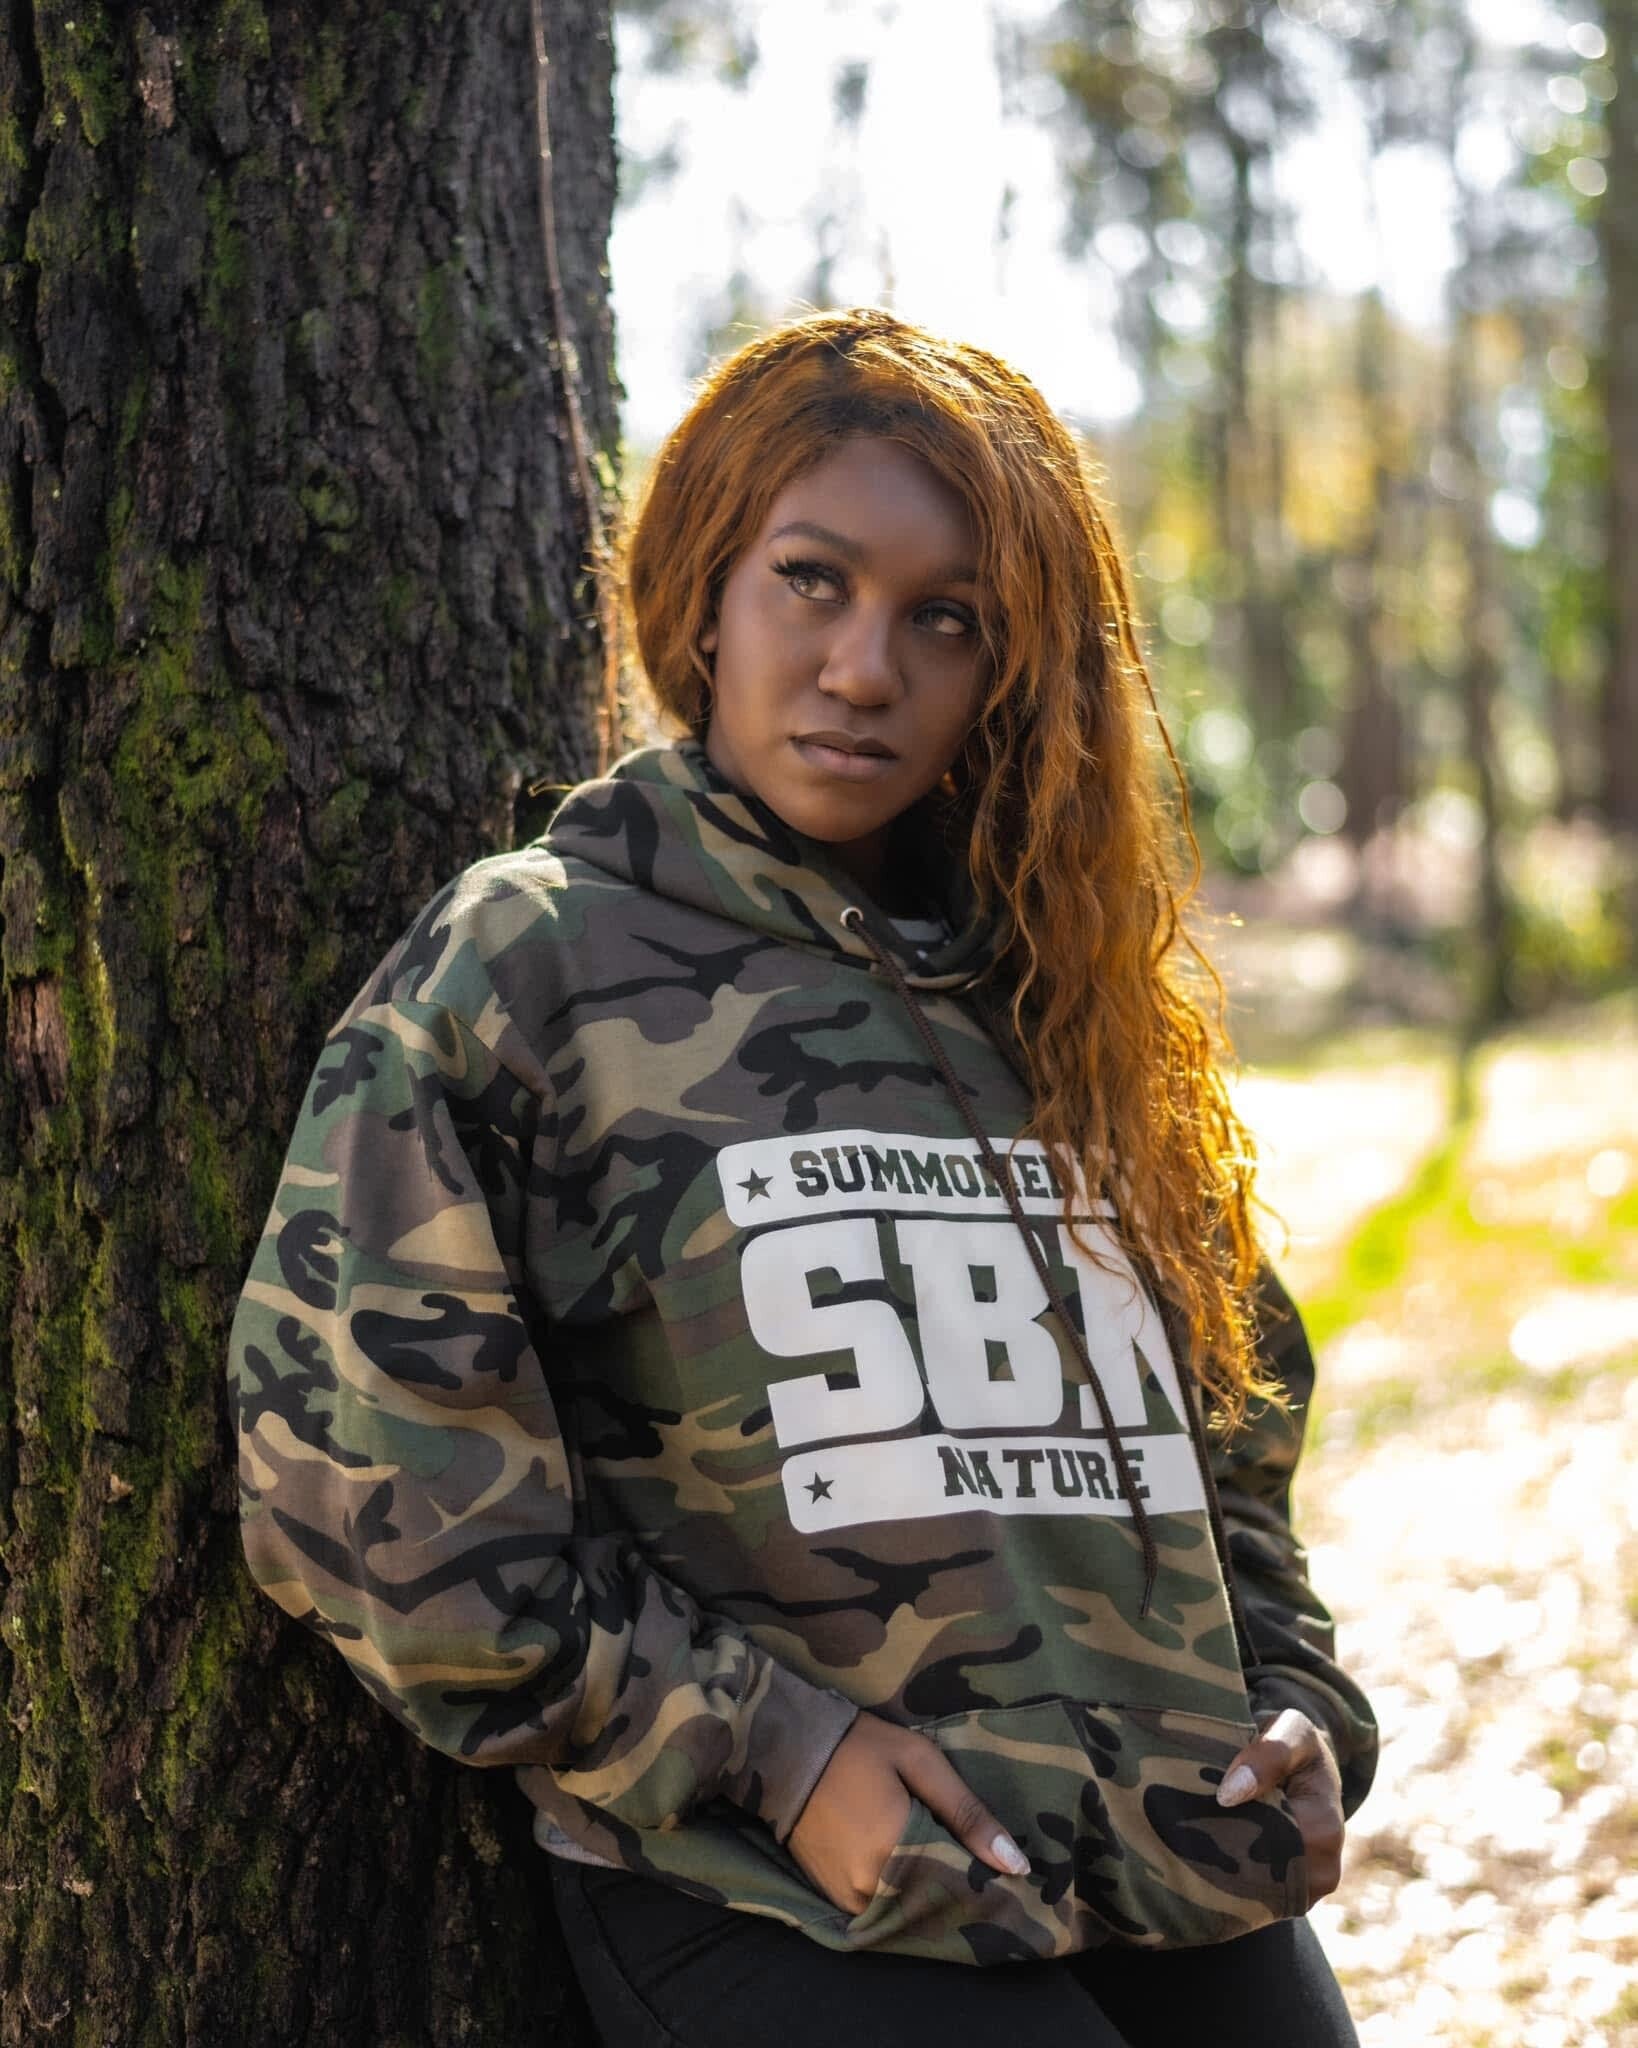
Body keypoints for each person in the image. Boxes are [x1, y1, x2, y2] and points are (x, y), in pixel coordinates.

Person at [228, 309, 1376, 2046]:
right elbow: (362, 1480)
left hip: (1169, 1861)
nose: (862, 668)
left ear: (1009, 668)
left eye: (944, 618)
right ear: (706, 591)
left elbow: (1229, 1417)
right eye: (811, 582)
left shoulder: (1062, 988)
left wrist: (1293, 1694)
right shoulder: (538, 962)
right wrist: (770, 1748)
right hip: (787, 1892)